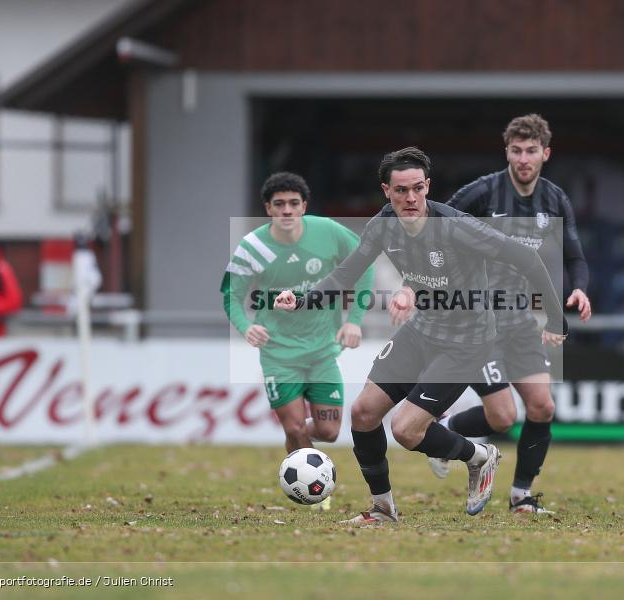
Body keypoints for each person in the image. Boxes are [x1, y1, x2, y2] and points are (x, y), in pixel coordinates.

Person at [275, 147, 568, 523]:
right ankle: (383, 511)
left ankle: (479, 456)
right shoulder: (382, 226)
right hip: (422, 330)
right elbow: (346, 275)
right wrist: (302, 300)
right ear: (386, 190)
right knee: (363, 414)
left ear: (427, 186)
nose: (410, 198)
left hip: (468, 341)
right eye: (400, 191)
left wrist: (557, 320)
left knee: (405, 429)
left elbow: (528, 260)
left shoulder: (456, 227)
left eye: (417, 188)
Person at [408, 114, 591, 514]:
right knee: (504, 417)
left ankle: (521, 497)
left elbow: (574, 253)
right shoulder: (481, 193)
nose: (523, 158)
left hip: (521, 322)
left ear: (546, 153)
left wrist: (578, 287)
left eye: (531, 151)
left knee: (542, 407)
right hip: (476, 322)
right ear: (506, 152)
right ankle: (453, 435)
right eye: (516, 150)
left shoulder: (555, 199)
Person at [221, 172, 374, 511]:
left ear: (304, 206)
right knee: (293, 424)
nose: (287, 210)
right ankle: (315, 491)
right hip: (279, 354)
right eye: (279, 205)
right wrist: (246, 326)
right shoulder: (253, 247)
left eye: (293, 204)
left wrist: (354, 321)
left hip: (322, 351)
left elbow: (365, 266)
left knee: (330, 430)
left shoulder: (330, 233)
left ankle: (297, 446)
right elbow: (231, 295)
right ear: (268, 209)